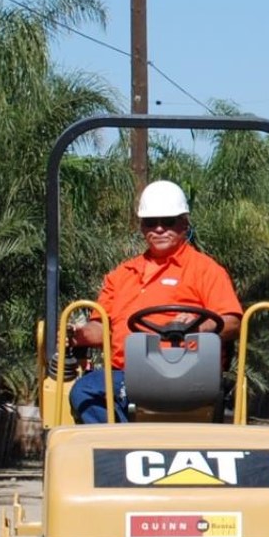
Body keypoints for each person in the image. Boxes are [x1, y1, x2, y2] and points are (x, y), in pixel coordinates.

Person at [68, 180, 243, 422]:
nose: (159, 229)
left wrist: (198, 326)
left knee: (90, 389)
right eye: (151, 222)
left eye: (168, 222)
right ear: (141, 226)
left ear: (184, 223)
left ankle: (123, 448)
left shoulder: (205, 270)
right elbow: (101, 328)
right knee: (85, 390)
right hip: (128, 375)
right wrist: (79, 334)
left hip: (189, 374)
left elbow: (232, 321)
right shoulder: (121, 275)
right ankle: (120, 449)